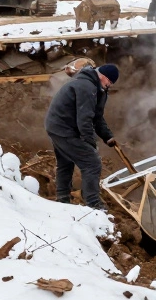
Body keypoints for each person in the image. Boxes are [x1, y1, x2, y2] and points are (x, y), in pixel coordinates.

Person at [44, 63, 120, 210]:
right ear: (103, 77)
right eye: (109, 82)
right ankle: (92, 203)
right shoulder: (87, 87)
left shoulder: (94, 86)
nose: (109, 86)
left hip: (57, 127)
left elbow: (97, 117)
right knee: (92, 163)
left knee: (66, 162)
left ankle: (63, 200)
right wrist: (90, 142)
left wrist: (107, 136)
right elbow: (85, 119)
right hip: (63, 128)